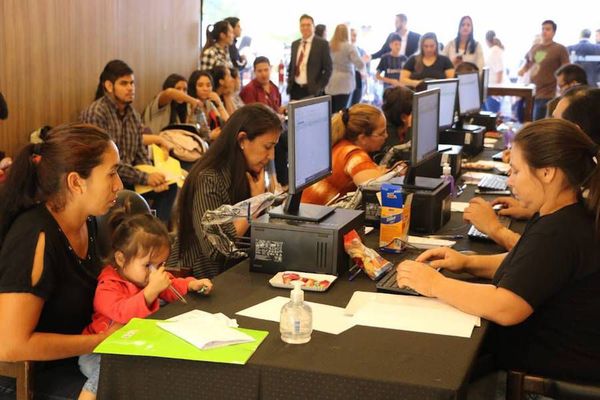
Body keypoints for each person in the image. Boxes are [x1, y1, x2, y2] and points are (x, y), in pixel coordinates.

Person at [398, 118, 600, 382]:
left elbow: (506, 307)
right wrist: (467, 263)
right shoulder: (567, 213)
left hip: (550, 362)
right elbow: (531, 265)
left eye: (516, 171)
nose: (511, 180)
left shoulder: (558, 231)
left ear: (547, 173)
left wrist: (434, 284)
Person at [0, 124, 123, 395]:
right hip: (32, 377)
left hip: (78, 361)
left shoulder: (88, 223)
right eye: (112, 173)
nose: (119, 185)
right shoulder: (35, 236)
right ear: (76, 182)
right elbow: (10, 344)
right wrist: (98, 342)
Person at [77, 210, 213, 400]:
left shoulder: (145, 280)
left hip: (133, 346)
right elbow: (122, 312)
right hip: (98, 351)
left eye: (161, 264)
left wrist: (190, 284)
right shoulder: (108, 285)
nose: (154, 272)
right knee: (115, 367)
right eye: (148, 265)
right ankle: (87, 395)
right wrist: (150, 293)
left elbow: (169, 284)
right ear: (121, 259)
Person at [465, 85, 597, 251]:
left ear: (573, 132)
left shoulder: (573, 215)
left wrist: (495, 229)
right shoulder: (584, 188)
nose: (547, 125)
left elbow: (544, 256)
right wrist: (532, 209)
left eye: (555, 121)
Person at [175, 104, 282, 278]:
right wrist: (254, 204)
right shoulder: (209, 179)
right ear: (242, 140)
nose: (271, 156)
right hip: (203, 280)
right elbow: (216, 250)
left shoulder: (248, 172)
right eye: (267, 146)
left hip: (237, 268)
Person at [80, 60, 177, 224]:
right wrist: (145, 177)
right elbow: (104, 163)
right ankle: (138, 234)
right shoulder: (97, 113)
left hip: (132, 178)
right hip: (106, 179)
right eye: (124, 83)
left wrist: (153, 176)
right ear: (109, 86)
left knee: (169, 187)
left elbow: (140, 154)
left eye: (132, 83)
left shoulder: (133, 114)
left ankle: (153, 231)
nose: (130, 88)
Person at [301, 104, 395, 206]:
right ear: (362, 138)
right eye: (381, 133)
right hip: (313, 215)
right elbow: (378, 192)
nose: (386, 136)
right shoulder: (354, 156)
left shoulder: (340, 144)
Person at [518, 20, 569, 120]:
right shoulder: (535, 48)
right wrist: (522, 71)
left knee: (538, 123)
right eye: (543, 29)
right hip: (531, 92)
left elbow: (566, 69)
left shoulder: (560, 49)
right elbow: (528, 63)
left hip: (548, 94)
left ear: (554, 32)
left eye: (548, 29)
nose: (544, 31)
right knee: (527, 121)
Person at [287, 14, 332, 100]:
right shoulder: (295, 44)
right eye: (302, 25)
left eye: (308, 25)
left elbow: (328, 69)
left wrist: (318, 87)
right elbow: (292, 65)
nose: (305, 28)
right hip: (295, 89)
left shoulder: (322, 44)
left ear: (313, 27)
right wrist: (289, 81)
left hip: (311, 90)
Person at [325, 24, 366, 113]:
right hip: (345, 83)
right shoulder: (349, 47)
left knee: (331, 111)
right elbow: (360, 64)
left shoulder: (329, 46)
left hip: (331, 82)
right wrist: (364, 60)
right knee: (342, 111)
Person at [187, 70, 230, 141]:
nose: (205, 89)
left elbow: (228, 124)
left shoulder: (209, 103)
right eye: (200, 85)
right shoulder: (190, 105)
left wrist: (219, 104)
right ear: (193, 87)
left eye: (208, 85)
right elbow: (191, 135)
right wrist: (210, 136)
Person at [483, 30, 505, 112]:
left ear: (486, 40)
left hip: (494, 90)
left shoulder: (495, 51)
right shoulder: (495, 51)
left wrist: (496, 92)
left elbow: (500, 71)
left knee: (492, 118)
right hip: (490, 89)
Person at [350, 28, 369, 106]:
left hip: (359, 83)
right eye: (352, 35)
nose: (353, 38)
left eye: (355, 36)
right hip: (348, 84)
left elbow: (364, 69)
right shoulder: (343, 51)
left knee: (356, 105)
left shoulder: (361, 51)